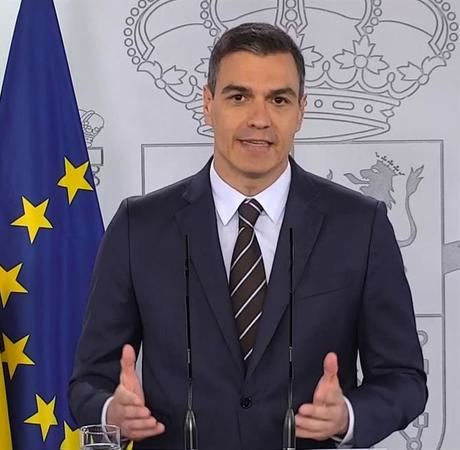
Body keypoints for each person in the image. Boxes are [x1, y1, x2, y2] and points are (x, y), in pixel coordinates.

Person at [68, 22, 427, 449]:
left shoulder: (360, 226)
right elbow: (87, 382)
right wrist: (113, 411)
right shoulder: (138, 226)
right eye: (239, 97)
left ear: (301, 111)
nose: (259, 119)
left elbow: (403, 380)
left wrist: (347, 415)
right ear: (208, 104)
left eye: (278, 100)